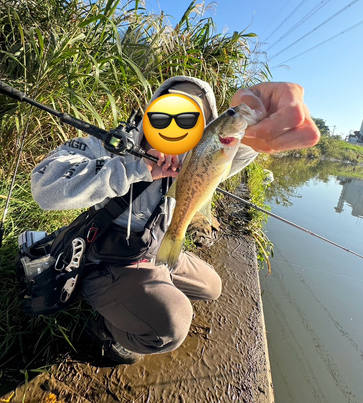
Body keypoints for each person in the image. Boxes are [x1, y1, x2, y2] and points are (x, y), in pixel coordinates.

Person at [31, 77, 320, 365]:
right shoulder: (109, 145)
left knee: (212, 287)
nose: (174, 125)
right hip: (110, 258)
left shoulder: (195, 157)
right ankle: (103, 327)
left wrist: (260, 121)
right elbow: (45, 187)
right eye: (165, 113)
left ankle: (147, 289)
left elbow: (239, 147)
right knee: (169, 328)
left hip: (157, 245)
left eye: (189, 120)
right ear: (150, 111)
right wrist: (135, 167)